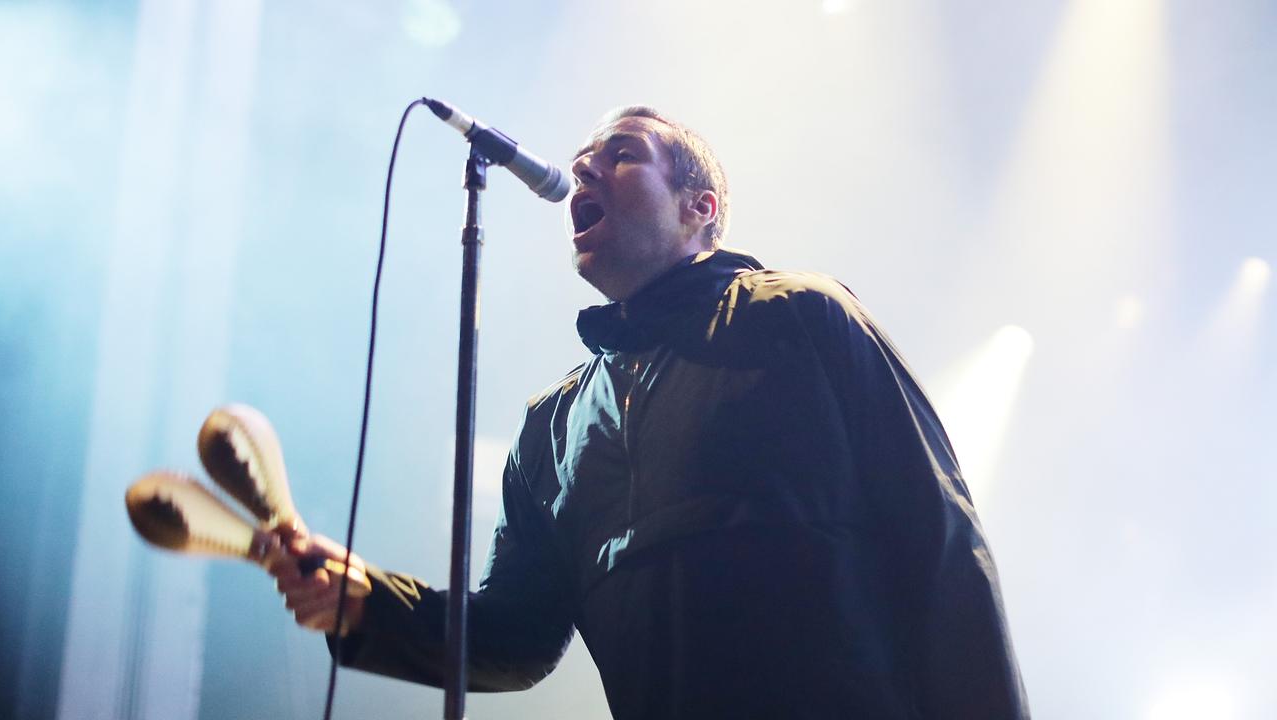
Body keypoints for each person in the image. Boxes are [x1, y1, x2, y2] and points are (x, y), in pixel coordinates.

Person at [268, 106, 1031, 719]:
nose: (582, 168)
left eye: (622, 153)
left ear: (700, 209)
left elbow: (939, 540)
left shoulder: (800, 316)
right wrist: (369, 602)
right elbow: (515, 637)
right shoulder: (551, 430)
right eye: (584, 157)